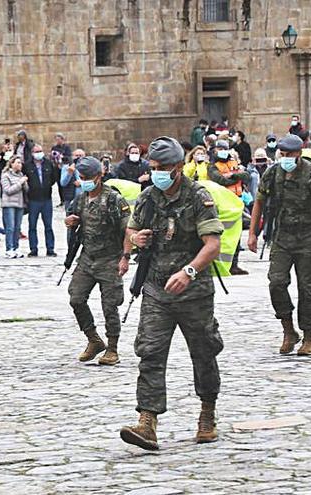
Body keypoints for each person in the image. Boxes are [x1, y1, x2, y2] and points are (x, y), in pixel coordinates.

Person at [119, 136, 225, 451]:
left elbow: (213, 245)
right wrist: (135, 240)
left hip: (193, 292)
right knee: (150, 353)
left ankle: (207, 413)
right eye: (153, 168)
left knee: (204, 352)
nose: (157, 173)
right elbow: (129, 230)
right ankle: (147, 422)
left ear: (178, 167)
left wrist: (189, 271)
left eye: (163, 168)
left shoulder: (198, 197)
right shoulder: (148, 197)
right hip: (156, 289)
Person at [247, 134, 311, 356]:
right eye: (282, 154)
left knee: (307, 289)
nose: (285, 158)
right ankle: (288, 330)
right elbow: (259, 202)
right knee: (276, 282)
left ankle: (308, 337)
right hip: (282, 237)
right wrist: (252, 233)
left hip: (308, 237)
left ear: (298, 153)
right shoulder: (272, 173)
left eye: (289, 154)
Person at [64, 157, 130, 365]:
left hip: (110, 258)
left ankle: (112, 348)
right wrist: (70, 222)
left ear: (99, 177)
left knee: (110, 305)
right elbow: (74, 220)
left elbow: (128, 230)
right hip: (87, 258)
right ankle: (93, 339)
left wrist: (125, 257)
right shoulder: (81, 199)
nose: (84, 182)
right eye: (81, 178)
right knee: (76, 297)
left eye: (88, 178)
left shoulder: (114, 199)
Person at [207, 140, 250, 275]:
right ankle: (219, 263)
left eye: (224, 148)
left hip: (236, 202)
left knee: (236, 234)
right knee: (222, 234)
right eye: (219, 148)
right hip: (222, 203)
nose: (222, 150)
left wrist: (233, 175)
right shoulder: (213, 166)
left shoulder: (234, 163)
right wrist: (237, 176)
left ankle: (234, 264)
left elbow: (247, 176)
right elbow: (220, 180)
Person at [24, 144, 57, 257]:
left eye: (40, 151)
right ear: (32, 153)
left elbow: (53, 178)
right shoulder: (27, 165)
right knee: (32, 225)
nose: (39, 153)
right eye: (36, 151)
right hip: (33, 199)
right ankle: (33, 249)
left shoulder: (48, 164)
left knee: (48, 225)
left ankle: (50, 248)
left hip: (46, 198)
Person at [0, 155, 28, 258]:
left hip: (20, 204)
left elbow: (26, 190)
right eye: (17, 162)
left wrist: (25, 183)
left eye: (20, 163)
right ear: (12, 164)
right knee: (10, 228)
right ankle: (9, 248)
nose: (20, 165)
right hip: (9, 204)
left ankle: (16, 248)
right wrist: (20, 182)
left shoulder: (21, 175)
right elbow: (8, 190)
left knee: (17, 228)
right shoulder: (5, 175)